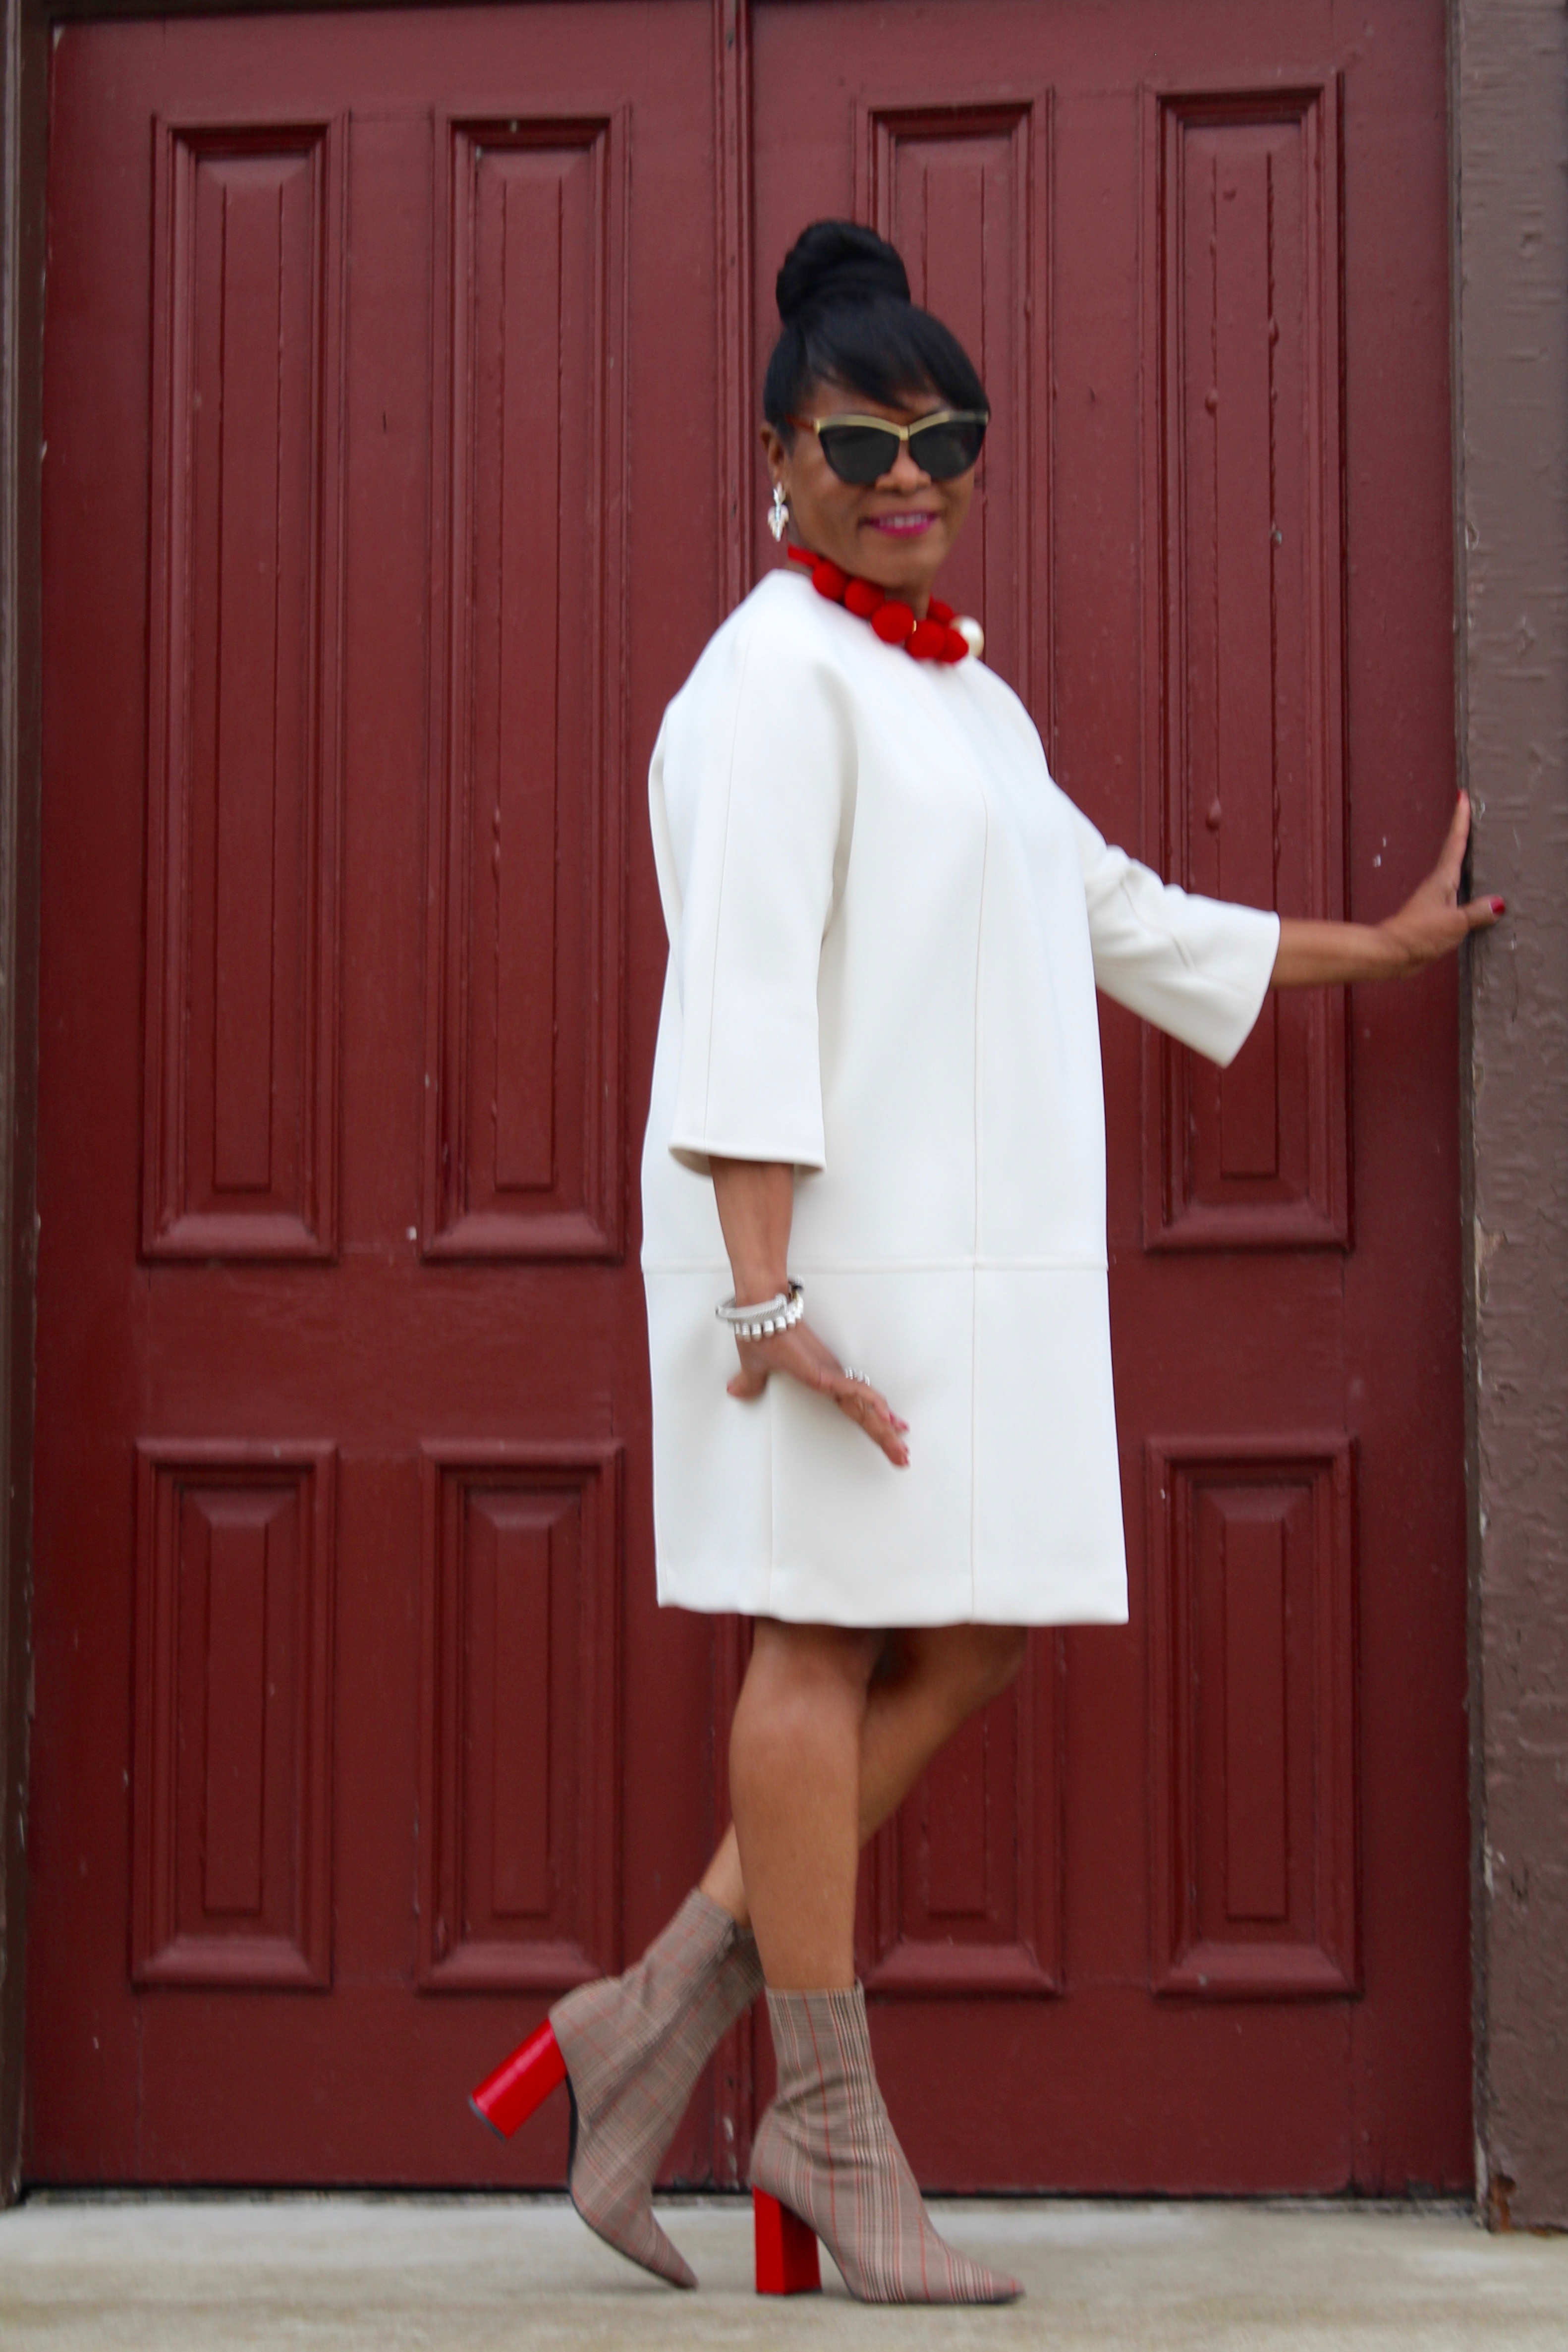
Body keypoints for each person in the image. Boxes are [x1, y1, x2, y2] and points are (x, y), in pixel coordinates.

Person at [476, 220, 1503, 2304]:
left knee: (969, 1634)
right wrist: (764, 1304)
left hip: (964, 1282)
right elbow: (741, 988)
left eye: (944, 431)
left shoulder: (960, 692)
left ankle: (658, 2009)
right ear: (779, 453)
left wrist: (1364, 948)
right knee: (816, 1643)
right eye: (862, 435)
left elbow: (1106, 906)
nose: (908, 466)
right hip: (822, 1274)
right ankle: (827, 2134)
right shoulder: (766, 676)